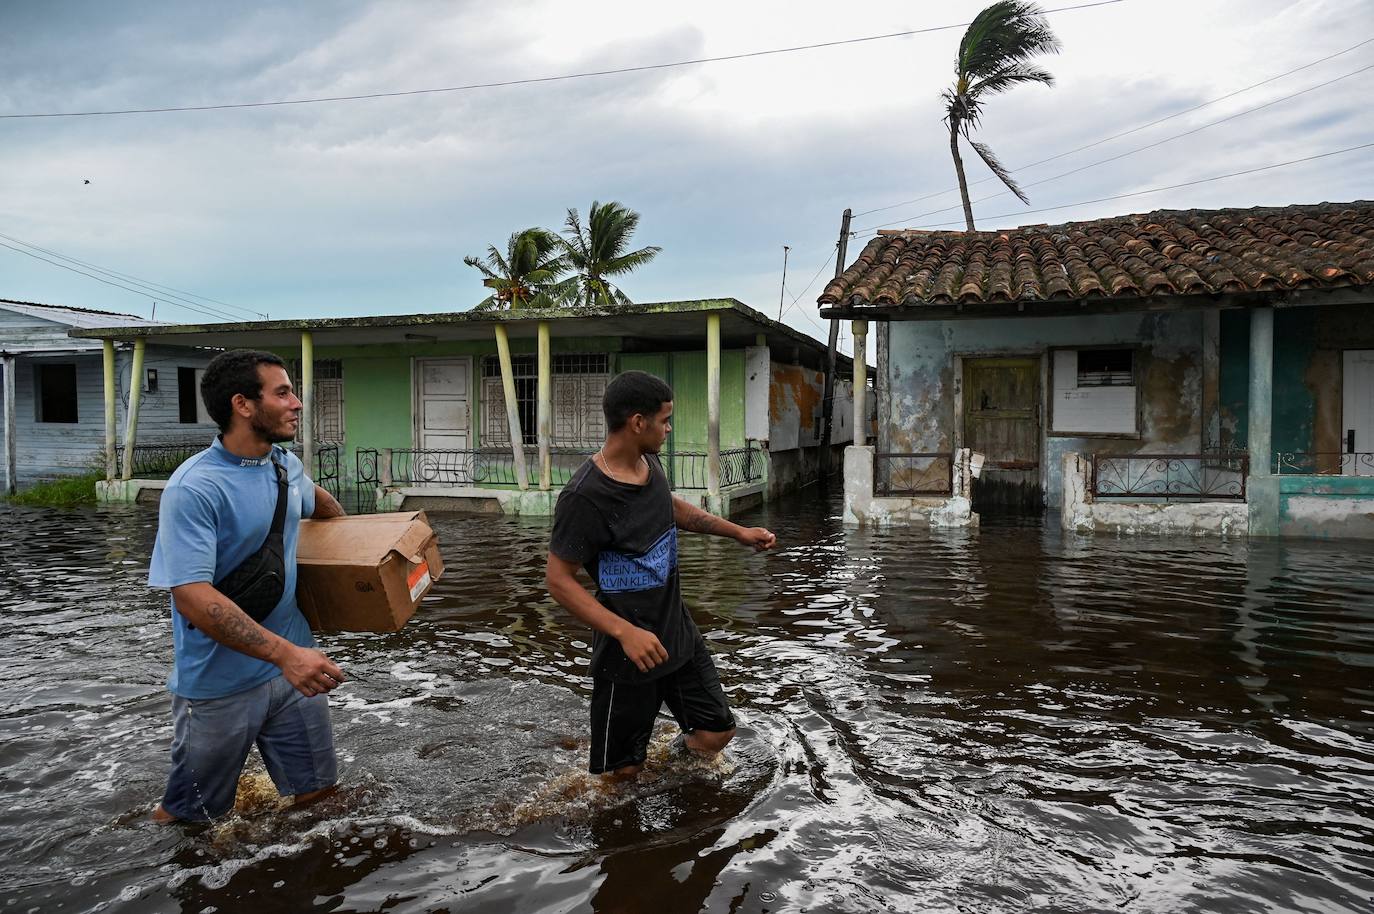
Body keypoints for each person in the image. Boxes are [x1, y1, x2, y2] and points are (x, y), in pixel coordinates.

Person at [148, 349, 346, 823]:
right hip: (220, 684)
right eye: (282, 392)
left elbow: (323, 508)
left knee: (319, 798)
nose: (296, 403)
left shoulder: (284, 466)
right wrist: (287, 656)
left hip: (293, 673)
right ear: (243, 404)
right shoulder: (194, 488)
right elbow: (192, 596)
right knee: (190, 818)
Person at [546, 370, 777, 777]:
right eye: (665, 420)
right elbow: (559, 580)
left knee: (715, 733)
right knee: (620, 775)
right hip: (628, 652)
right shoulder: (584, 496)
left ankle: (664, 765)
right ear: (638, 422)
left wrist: (737, 531)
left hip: (676, 633)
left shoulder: (650, 464)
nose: (669, 429)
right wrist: (624, 633)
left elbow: (671, 508)